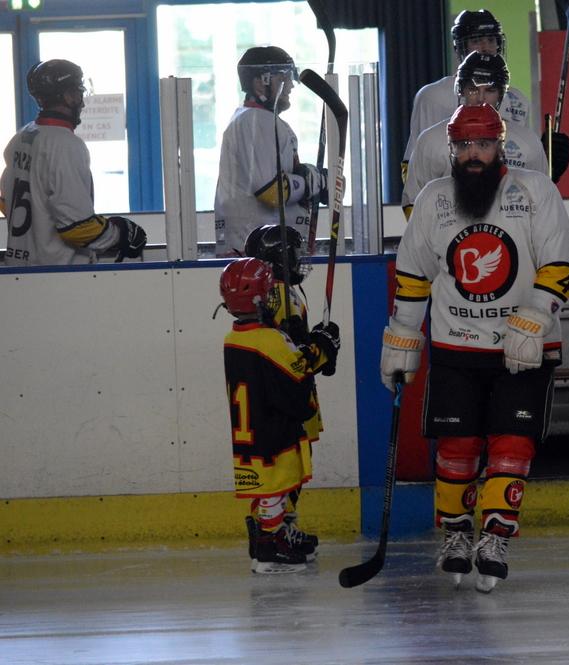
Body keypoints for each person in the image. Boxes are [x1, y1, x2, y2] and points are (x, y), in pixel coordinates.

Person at [380, 103, 569, 593]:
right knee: (457, 445)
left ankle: (494, 536)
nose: (474, 154)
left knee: (513, 444)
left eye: (484, 144)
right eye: (465, 145)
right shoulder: (433, 199)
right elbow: (413, 275)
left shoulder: (535, 191)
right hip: (456, 344)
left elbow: (562, 263)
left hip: (524, 348)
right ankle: (455, 535)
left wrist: (535, 316)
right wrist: (403, 337)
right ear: (451, 149)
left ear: (500, 145)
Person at [219, 257, 340, 574]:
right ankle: (269, 546)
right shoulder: (271, 341)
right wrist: (324, 345)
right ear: (260, 297)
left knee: (269, 489)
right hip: (272, 430)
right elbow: (300, 370)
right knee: (277, 487)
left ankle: (275, 537)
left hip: (250, 433)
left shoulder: (233, 338)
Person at [244, 224, 335, 559]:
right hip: (288, 398)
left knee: (294, 467)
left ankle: (281, 528)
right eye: (294, 254)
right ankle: (272, 533)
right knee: (286, 466)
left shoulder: (283, 292)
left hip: (294, 394)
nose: (299, 260)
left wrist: (319, 343)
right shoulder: (278, 294)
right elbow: (287, 355)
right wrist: (319, 348)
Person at [1, 59, 146, 266]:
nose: (82, 102)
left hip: (18, 270)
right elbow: (77, 228)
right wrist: (119, 234)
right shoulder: (65, 145)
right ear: (67, 96)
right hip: (58, 275)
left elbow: (7, 205)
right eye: (79, 92)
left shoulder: (21, 137)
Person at [401, 52, 556, 219]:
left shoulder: (528, 142)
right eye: (473, 89)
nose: (481, 98)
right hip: (447, 234)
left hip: (512, 234)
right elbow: (413, 203)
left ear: (501, 94)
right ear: (461, 91)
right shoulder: (430, 141)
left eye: (490, 90)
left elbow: (542, 203)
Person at [214, 46, 328, 257]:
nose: (291, 85)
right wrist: (313, 182)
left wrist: (311, 180)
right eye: (283, 77)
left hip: (258, 250)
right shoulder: (256, 120)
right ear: (260, 82)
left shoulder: (250, 119)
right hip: (259, 254)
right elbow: (271, 191)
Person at [401, 9, 533, 184]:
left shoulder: (518, 100)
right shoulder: (432, 97)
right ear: (459, 47)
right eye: (476, 41)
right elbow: (414, 164)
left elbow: (526, 159)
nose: (485, 48)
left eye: (491, 40)